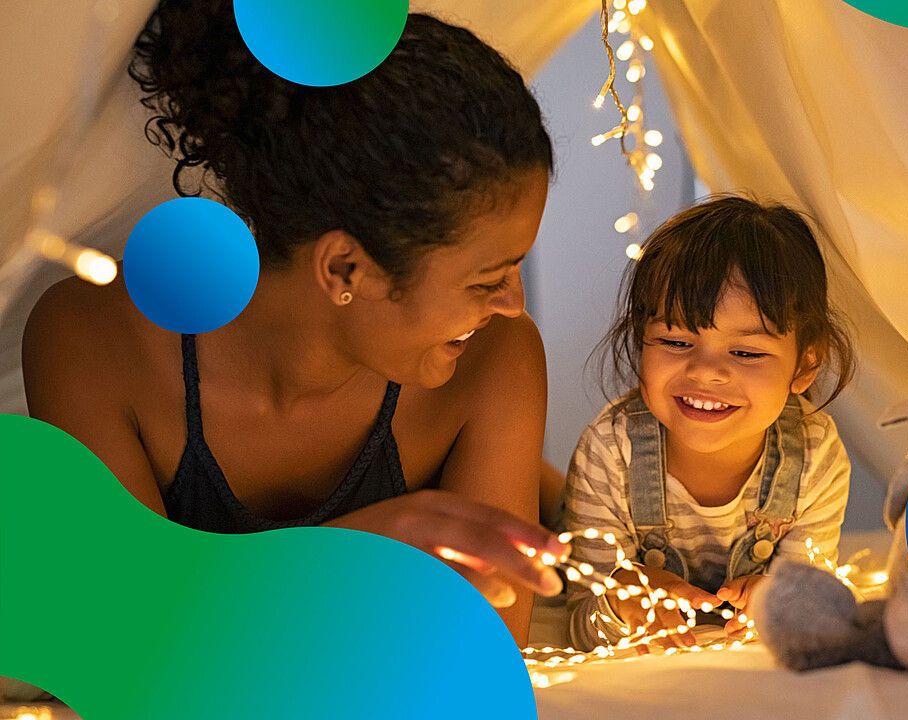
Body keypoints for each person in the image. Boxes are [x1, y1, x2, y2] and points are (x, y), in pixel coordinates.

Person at [21, 3, 566, 645]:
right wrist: (365, 550)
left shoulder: (494, 361)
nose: (513, 303)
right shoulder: (93, 342)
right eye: (486, 278)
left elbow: (477, 657)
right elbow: (114, 645)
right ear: (345, 268)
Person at [563, 196, 857, 651]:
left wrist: (779, 604)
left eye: (746, 352)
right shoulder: (611, 449)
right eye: (676, 341)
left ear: (805, 364)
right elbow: (580, 623)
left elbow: (812, 608)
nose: (705, 371)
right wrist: (624, 603)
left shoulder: (815, 456)